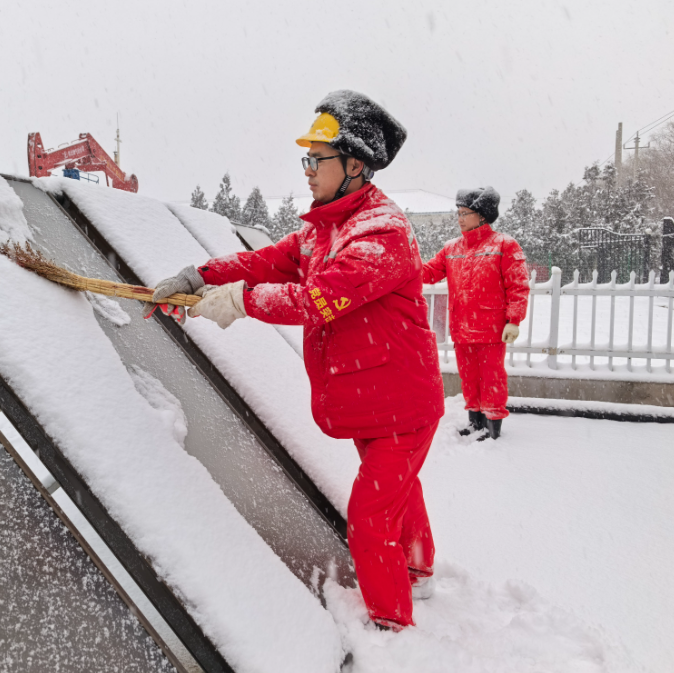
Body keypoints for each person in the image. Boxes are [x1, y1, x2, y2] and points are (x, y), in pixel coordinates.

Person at [152, 91, 444, 631]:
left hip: (402, 403)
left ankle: (391, 624)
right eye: (304, 159)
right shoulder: (323, 228)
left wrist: (240, 302)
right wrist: (200, 275)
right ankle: (419, 570)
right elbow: (268, 260)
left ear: (355, 165)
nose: (307, 171)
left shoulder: (381, 233)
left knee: (370, 517)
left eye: (317, 159)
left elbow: (317, 301)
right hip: (374, 397)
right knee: (398, 488)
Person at [422, 188, 530, 440]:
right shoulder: (451, 248)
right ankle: (475, 421)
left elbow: (518, 285)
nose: (459, 218)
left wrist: (513, 320)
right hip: (462, 327)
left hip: (492, 329)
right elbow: (428, 272)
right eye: (458, 213)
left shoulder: (504, 244)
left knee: (491, 377)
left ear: (482, 216)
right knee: (469, 377)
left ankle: (493, 426)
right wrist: (406, 262)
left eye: (465, 213)